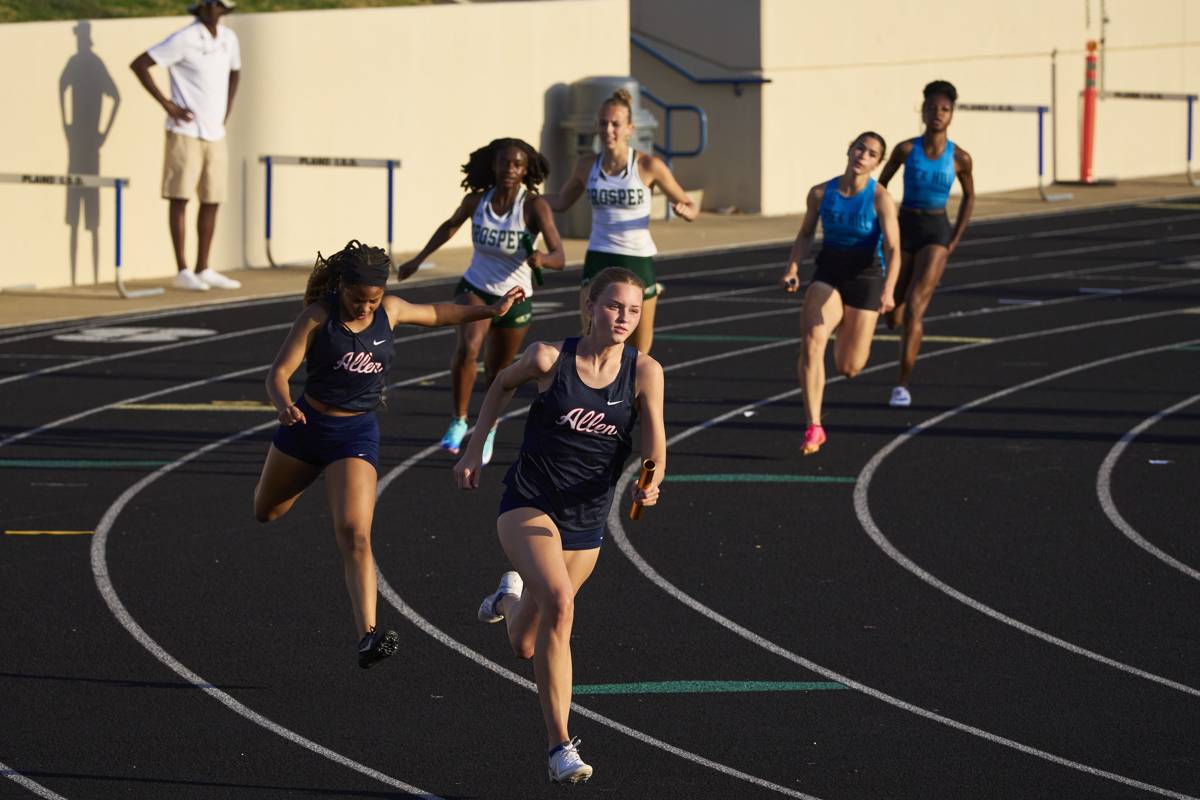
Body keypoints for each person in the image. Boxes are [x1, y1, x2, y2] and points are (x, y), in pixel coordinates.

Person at [254, 240, 523, 669]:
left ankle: (368, 636)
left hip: (354, 433)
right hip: (305, 427)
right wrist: (284, 404)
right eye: (359, 300)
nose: (366, 308)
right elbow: (278, 374)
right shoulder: (317, 318)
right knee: (266, 512)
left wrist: (491, 312)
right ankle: (306, 477)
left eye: (373, 300)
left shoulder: (390, 311)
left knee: (355, 534)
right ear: (341, 288)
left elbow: (438, 314)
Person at [453, 267, 666, 784]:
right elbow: (501, 384)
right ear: (591, 306)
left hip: (587, 517)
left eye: (633, 311)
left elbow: (655, 440)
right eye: (614, 306)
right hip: (529, 502)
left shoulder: (644, 371)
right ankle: (558, 747)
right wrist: (477, 447)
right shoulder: (551, 358)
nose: (624, 318)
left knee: (525, 642)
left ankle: (507, 599)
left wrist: (651, 477)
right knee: (561, 603)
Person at [396, 138, 565, 464]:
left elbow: (561, 255)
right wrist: (418, 259)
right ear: (493, 165)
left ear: (526, 169)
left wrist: (543, 258)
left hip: (515, 296)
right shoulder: (476, 202)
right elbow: (449, 227)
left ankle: (488, 428)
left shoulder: (533, 206)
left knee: (499, 372)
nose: (510, 170)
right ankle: (459, 421)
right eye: (504, 163)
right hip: (476, 286)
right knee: (469, 347)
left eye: (517, 164)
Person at [547, 88, 698, 354]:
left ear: (629, 128)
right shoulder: (586, 165)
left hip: (636, 258)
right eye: (603, 123)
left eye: (615, 124)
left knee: (638, 352)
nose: (608, 130)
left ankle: (634, 395)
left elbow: (690, 205)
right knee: (592, 343)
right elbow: (561, 201)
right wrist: (524, 200)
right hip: (598, 256)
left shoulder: (648, 166)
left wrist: (686, 211)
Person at [779, 132, 901, 455]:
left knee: (849, 366)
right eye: (860, 147)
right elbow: (805, 234)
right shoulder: (821, 193)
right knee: (811, 340)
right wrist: (792, 268)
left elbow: (893, 248)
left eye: (872, 153)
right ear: (849, 149)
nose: (863, 155)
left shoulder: (880, 199)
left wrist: (889, 291)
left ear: (878, 162)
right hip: (829, 273)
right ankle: (814, 426)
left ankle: (850, 320)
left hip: (866, 277)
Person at [130, 0, 242, 292]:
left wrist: (226, 111)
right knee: (179, 197)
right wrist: (168, 105)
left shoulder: (229, 39)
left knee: (212, 198)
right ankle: (182, 269)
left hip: (215, 133)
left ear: (224, 10)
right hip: (185, 131)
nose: (212, 7)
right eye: (208, 3)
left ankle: (203, 267)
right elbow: (140, 64)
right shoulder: (184, 38)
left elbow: (235, 72)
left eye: (218, 4)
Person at [877, 79, 975, 407]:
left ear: (952, 115)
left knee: (917, 307)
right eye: (932, 108)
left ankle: (901, 385)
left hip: (936, 230)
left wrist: (954, 238)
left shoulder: (960, 157)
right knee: (894, 312)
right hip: (905, 226)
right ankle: (896, 313)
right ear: (923, 111)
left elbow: (970, 196)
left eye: (944, 109)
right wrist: (883, 219)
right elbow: (881, 185)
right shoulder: (906, 149)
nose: (937, 114)